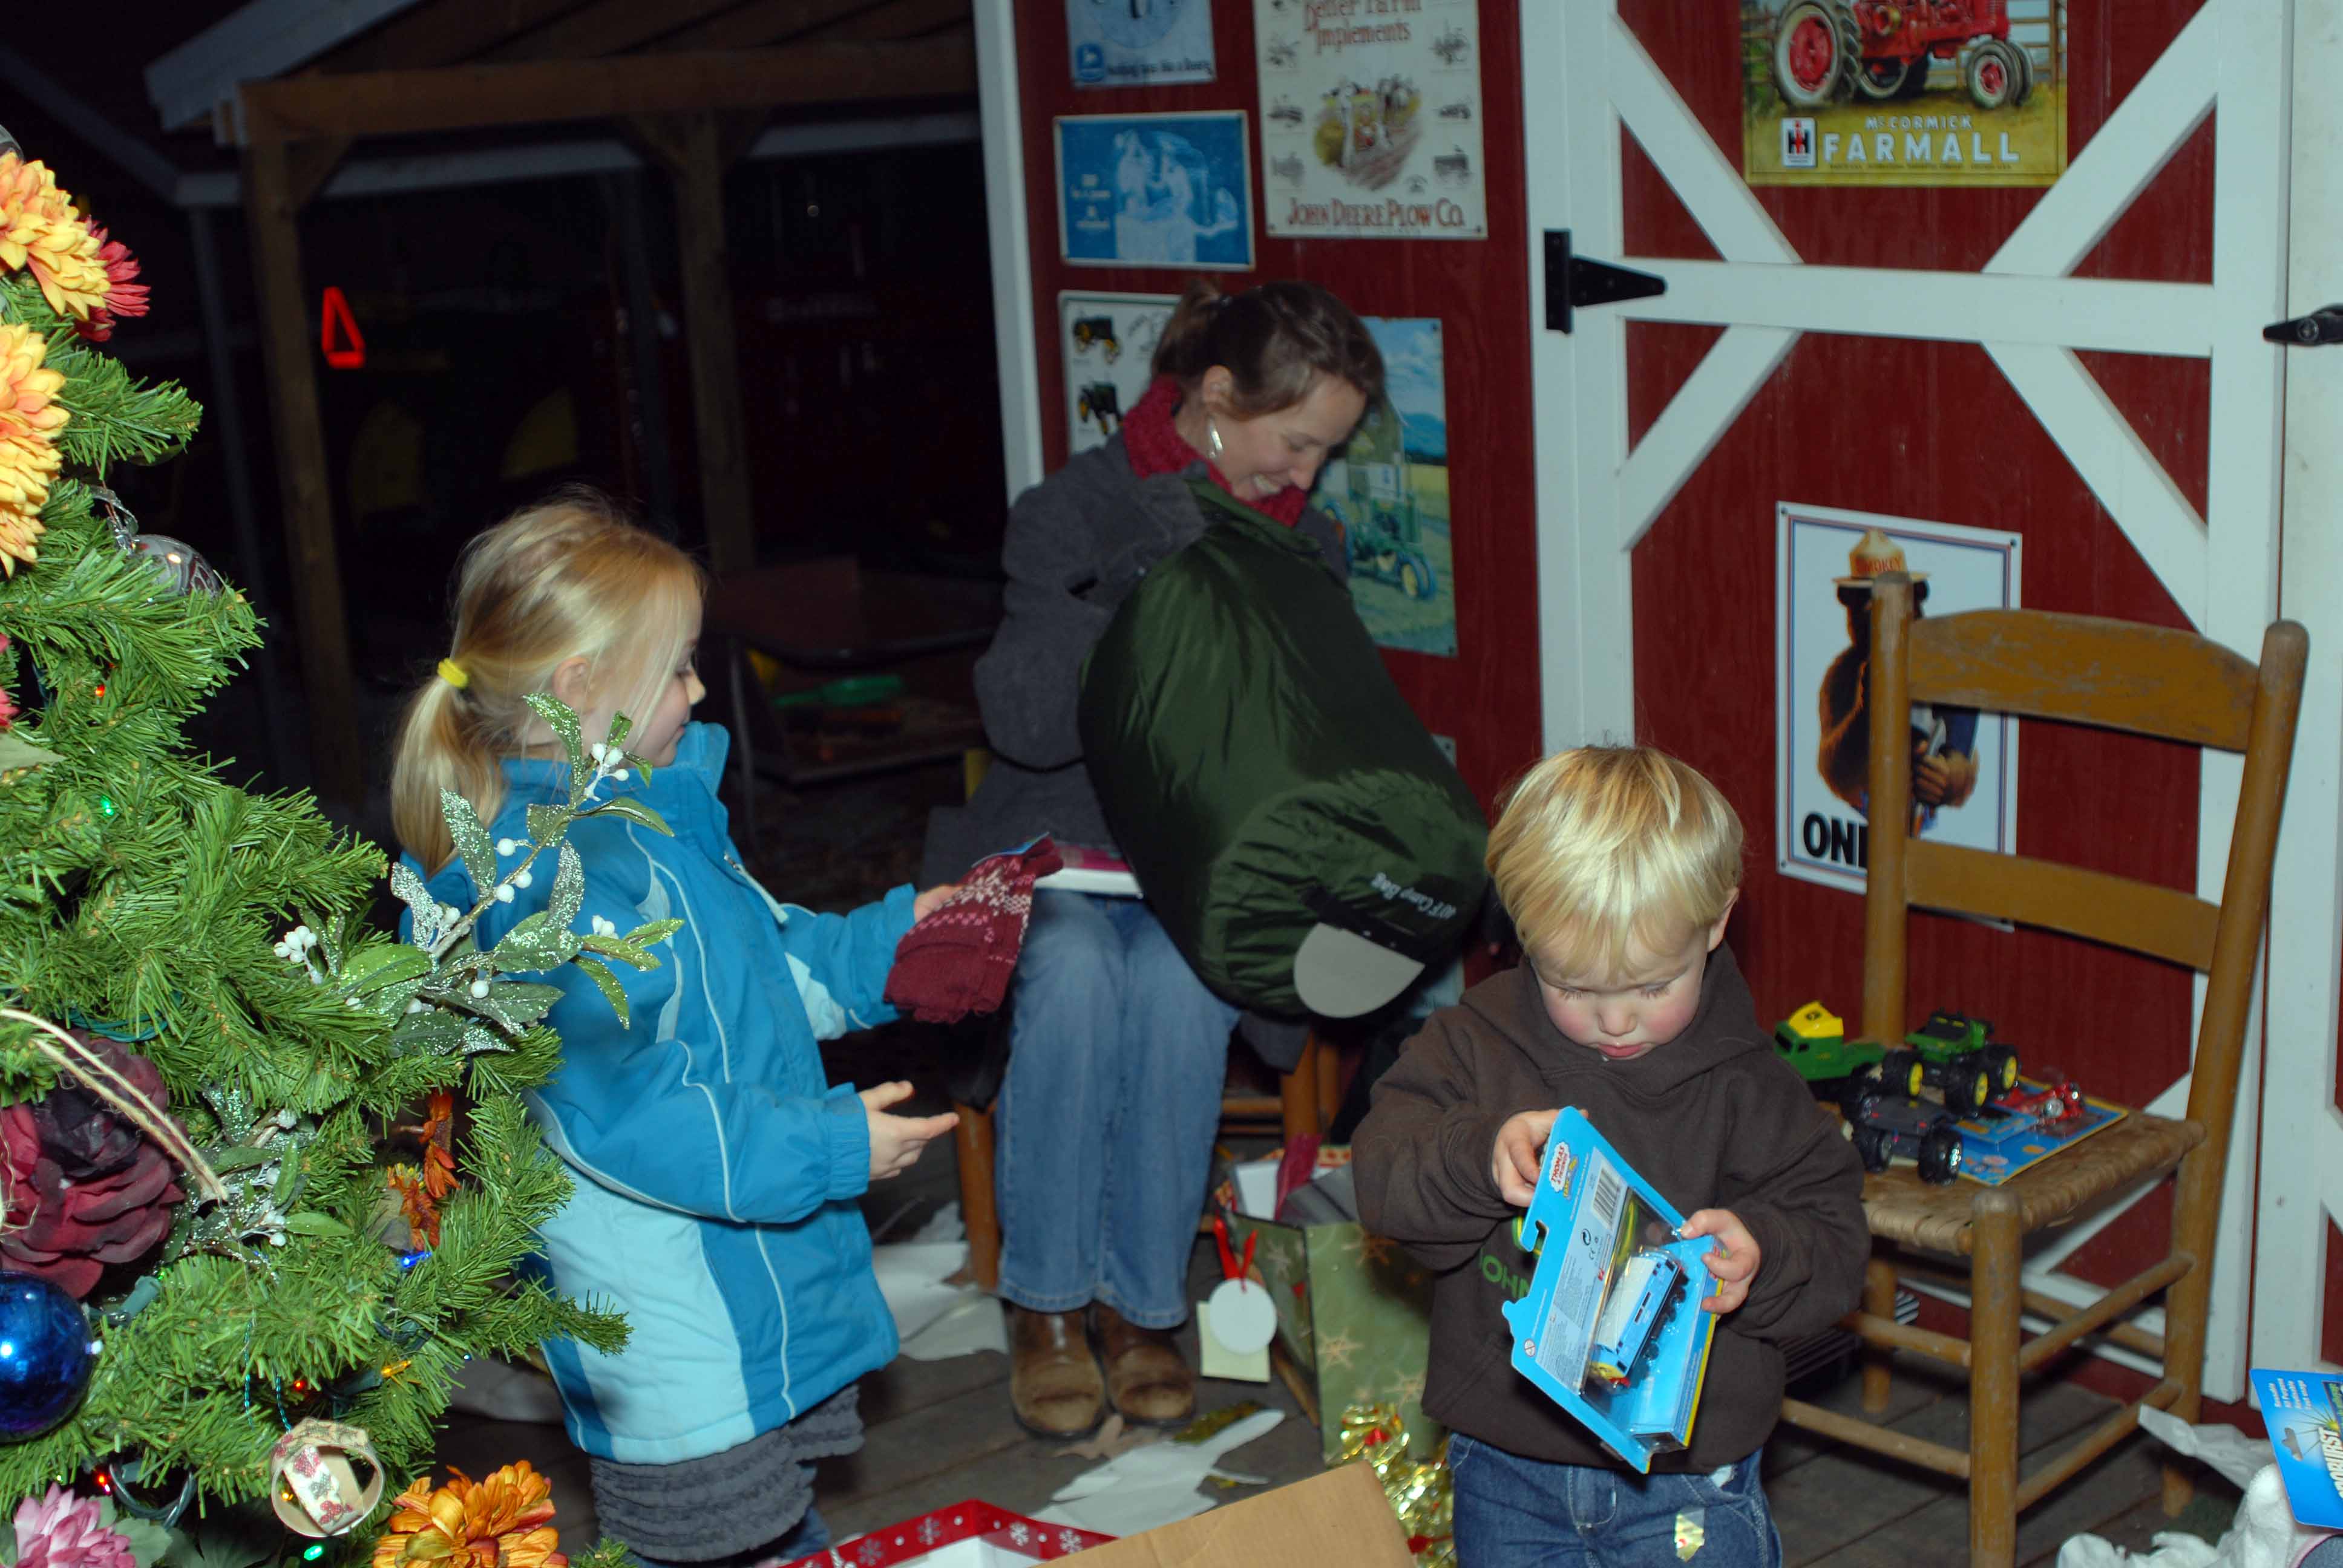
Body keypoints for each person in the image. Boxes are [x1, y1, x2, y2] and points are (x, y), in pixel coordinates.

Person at [390, 492, 960, 1568]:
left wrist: (896, 948)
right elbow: (630, 1114)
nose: (700, 692)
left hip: (743, 1277)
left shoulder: (645, 821)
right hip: (672, 1323)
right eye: (680, 668)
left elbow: (763, 968)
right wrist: (830, 1148)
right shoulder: (549, 884)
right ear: (579, 690)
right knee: (708, 1542)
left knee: (770, 1526)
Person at [925, 278, 1383, 1437]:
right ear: (1218, 397)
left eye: (1326, 453)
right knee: (1076, 971)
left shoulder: (1303, 544)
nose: (1308, 475)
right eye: (1296, 444)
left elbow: (1304, 740)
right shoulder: (1069, 510)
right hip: (1057, 845)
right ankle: (1045, 1304)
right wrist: (1140, 589)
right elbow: (1025, 722)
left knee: (1182, 984)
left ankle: (1139, 1310)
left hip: (1197, 865)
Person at [1352, 746, 1869, 1566]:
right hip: (1505, 1461)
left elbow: (1838, 1238)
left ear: (1716, 924)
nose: (1617, 1021)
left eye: (1653, 987)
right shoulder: (1473, 1045)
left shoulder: (1749, 1083)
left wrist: (1763, 1254)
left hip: (1688, 1484)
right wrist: (1479, 1157)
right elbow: (1381, 1175)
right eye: (1576, 988)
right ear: (1526, 936)